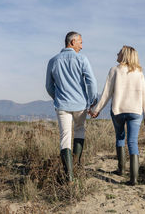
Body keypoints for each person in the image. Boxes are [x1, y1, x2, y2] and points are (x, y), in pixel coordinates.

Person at [90, 45, 145, 185]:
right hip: (136, 112)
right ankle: (133, 179)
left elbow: (106, 94)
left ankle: (121, 169)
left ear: (124, 55)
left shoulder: (114, 70)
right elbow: (144, 95)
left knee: (120, 138)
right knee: (133, 142)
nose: (117, 53)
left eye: (119, 52)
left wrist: (96, 110)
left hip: (118, 111)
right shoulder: (139, 73)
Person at [46, 31, 98, 182]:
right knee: (80, 130)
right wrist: (92, 100)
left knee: (65, 137)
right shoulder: (82, 59)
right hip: (80, 104)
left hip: (62, 105)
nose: (82, 46)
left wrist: (57, 97)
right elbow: (91, 82)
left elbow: (49, 86)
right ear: (72, 42)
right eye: (80, 42)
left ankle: (69, 176)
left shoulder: (53, 61)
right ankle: (77, 165)